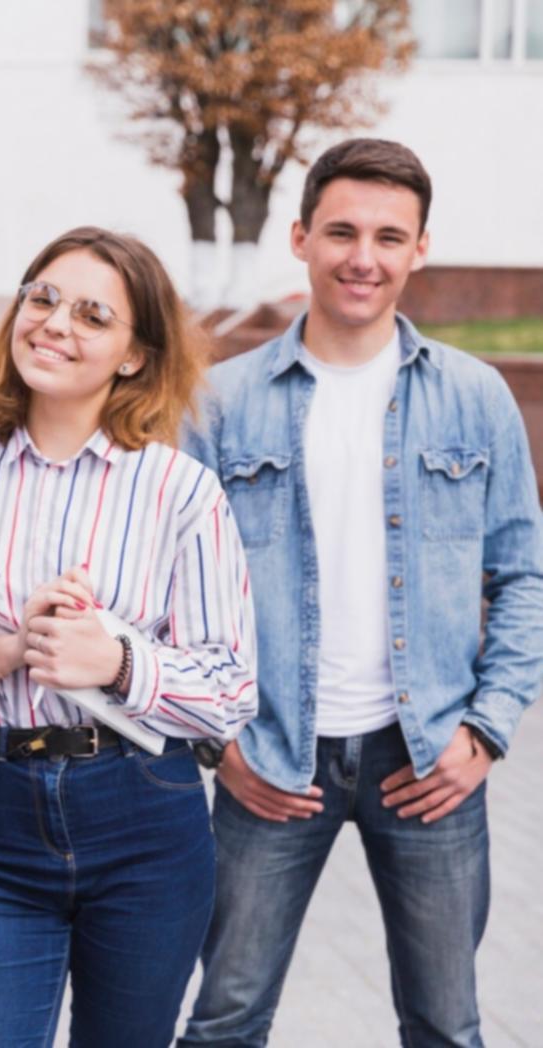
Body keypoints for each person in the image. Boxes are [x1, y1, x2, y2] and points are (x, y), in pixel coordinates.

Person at [178, 139, 543, 1047]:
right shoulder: (218, 405)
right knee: (223, 1020)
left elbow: (523, 575)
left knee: (445, 1026)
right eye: (340, 231)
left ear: (419, 248)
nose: (362, 257)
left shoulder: (474, 397)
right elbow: (172, 593)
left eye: (388, 236)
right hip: (269, 754)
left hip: (426, 760)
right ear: (300, 237)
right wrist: (215, 743)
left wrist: (486, 731)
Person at [0, 227, 258, 1048]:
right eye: (40, 298)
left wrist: (114, 660)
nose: (53, 324)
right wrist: (12, 649)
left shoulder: (181, 491)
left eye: (90, 314)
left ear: (133, 356)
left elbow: (229, 691)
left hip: (144, 816)